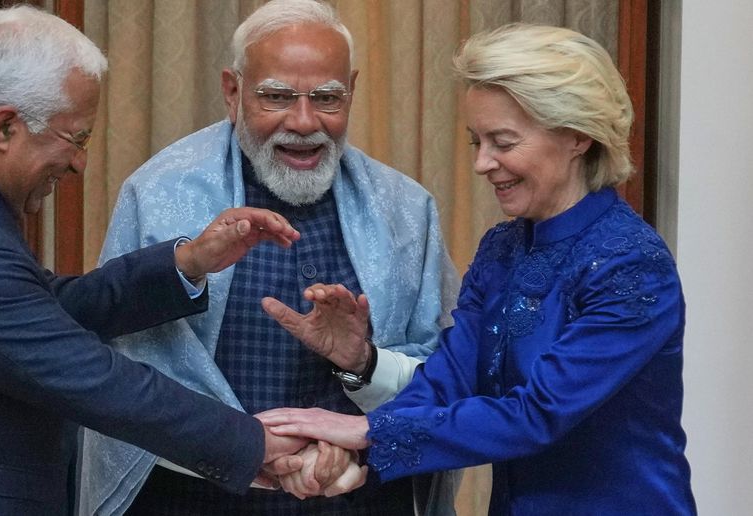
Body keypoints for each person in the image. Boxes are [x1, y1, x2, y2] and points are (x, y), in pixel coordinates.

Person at [0, 6, 312, 515]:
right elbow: (92, 379)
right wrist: (252, 443)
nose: (80, 162)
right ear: (5, 127)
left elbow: (36, 310)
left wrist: (187, 263)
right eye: (75, 138)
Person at [259, 23, 697, 515]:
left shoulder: (631, 262)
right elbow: (449, 378)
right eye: (476, 143)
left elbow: (539, 414)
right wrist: (355, 452)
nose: (483, 163)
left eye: (504, 143)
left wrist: (366, 432)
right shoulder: (503, 248)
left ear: (576, 136)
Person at [78, 0, 460, 514]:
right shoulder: (159, 194)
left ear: (353, 91)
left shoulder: (405, 210)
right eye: (276, 96)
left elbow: (444, 375)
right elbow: (123, 370)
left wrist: (362, 370)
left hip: (359, 498)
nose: (303, 122)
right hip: (193, 498)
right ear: (233, 92)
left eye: (327, 98)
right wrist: (253, 455)